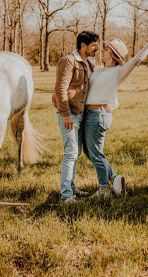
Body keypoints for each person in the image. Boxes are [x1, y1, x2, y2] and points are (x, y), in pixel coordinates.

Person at [83, 31, 148, 197]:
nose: (102, 51)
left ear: (113, 55)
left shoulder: (118, 71)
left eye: (106, 49)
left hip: (99, 115)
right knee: (89, 151)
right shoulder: (98, 70)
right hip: (89, 114)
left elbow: (136, 61)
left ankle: (104, 189)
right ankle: (114, 179)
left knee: (96, 153)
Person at [52, 30, 100, 203]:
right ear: (83, 45)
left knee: (76, 153)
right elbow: (60, 89)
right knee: (71, 153)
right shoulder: (69, 61)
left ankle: (71, 187)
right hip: (69, 114)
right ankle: (66, 195)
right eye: (94, 45)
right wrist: (66, 115)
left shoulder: (89, 64)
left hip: (81, 113)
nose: (97, 48)